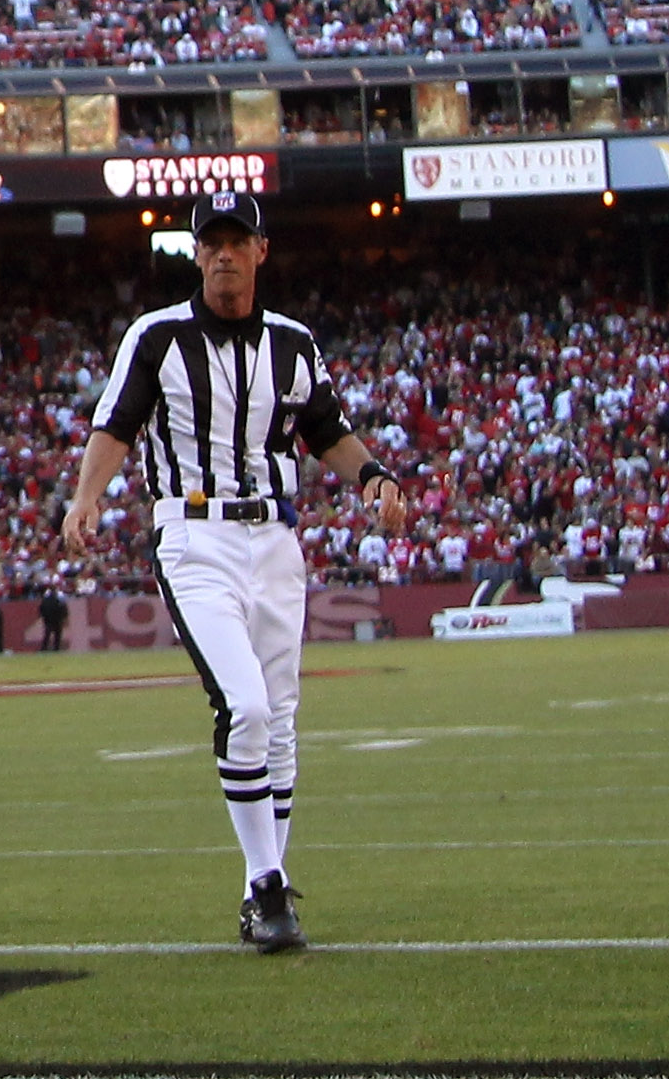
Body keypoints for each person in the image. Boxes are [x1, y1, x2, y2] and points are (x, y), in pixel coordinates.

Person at [60, 193, 410, 955]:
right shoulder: (156, 336)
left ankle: (267, 889)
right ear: (196, 253)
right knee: (246, 707)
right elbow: (115, 423)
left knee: (280, 721)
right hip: (194, 532)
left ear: (261, 251)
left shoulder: (292, 342)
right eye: (210, 241)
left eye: (235, 239)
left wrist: (375, 477)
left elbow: (327, 429)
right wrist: (87, 496)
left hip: (277, 536)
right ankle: (267, 885)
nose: (222, 252)